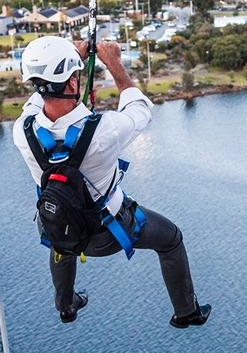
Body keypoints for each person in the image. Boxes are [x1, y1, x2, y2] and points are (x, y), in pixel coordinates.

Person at [13, 36, 211, 328]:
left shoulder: (22, 131)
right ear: (71, 85)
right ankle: (186, 312)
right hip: (107, 235)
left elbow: (35, 103)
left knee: (60, 240)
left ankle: (66, 306)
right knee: (171, 239)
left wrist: (70, 60)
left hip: (58, 226)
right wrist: (115, 65)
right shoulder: (104, 130)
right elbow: (141, 109)